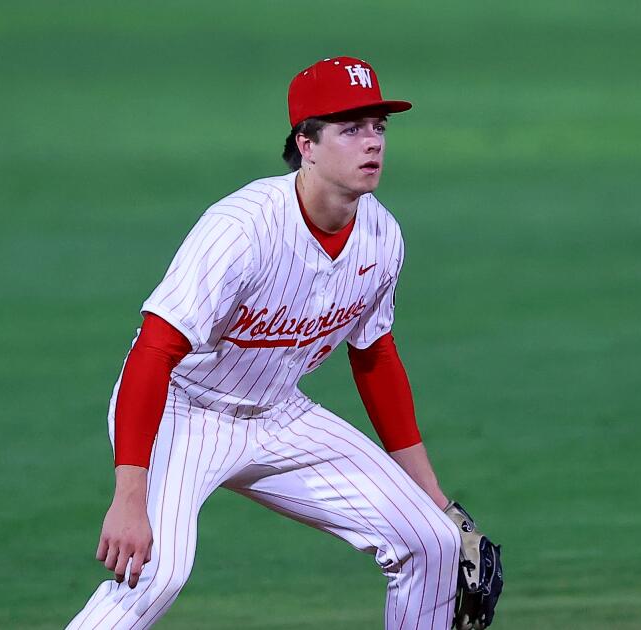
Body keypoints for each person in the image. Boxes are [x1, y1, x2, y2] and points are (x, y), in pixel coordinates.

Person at [68, 56, 466, 630]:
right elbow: (153, 350)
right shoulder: (244, 228)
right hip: (183, 414)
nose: (372, 142)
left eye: (379, 126)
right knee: (156, 573)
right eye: (351, 128)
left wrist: (431, 493)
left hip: (280, 414)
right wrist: (129, 493)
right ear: (306, 143)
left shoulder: (382, 234)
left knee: (433, 542)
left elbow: (375, 357)